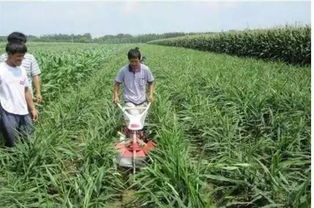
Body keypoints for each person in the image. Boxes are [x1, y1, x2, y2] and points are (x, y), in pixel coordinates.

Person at [0, 42, 38, 147]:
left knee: (29, 140)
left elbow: (26, 91)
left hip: (23, 111)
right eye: (18, 56)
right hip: (7, 111)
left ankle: (28, 161)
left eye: (23, 56)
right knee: (12, 142)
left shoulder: (22, 70)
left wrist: (32, 109)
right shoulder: (1, 70)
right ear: (9, 54)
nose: (21, 59)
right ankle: (12, 162)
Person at [0, 32, 42, 103]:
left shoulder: (30, 58)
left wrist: (38, 92)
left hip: (27, 97)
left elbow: (35, 75)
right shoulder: (2, 58)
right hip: (7, 98)